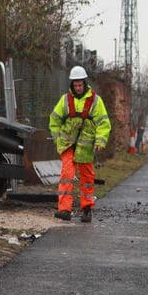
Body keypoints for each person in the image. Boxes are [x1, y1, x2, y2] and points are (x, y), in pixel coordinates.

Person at [49, 66, 111, 222]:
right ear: (72, 85)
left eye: (80, 85)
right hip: (67, 144)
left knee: (87, 177)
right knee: (66, 175)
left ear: (84, 83)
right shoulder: (65, 100)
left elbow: (103, 123)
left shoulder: (95, 101)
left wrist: (100, 141)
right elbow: (54, 120)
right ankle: (64, 210)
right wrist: (57, 139)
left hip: (86, 147)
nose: (77, 88)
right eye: (75, 85)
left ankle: (87, 209)